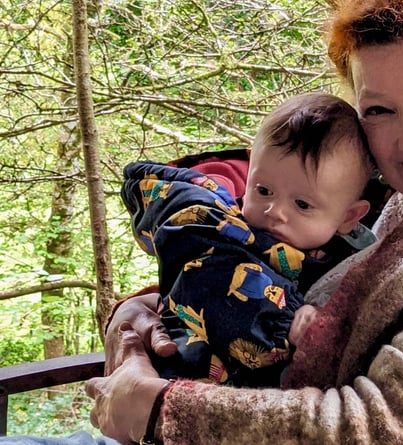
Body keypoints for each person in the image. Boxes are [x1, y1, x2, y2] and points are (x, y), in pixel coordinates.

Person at [1, 0, 403, 443]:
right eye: (380, 110)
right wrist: (141, 315)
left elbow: (394, 430)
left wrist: (157, 409)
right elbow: (275, 270)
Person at [120, 92, 376, 386]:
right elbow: (203, 278)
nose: (274, 211)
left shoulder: (359, 258)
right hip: (180, 383)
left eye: (302, 205)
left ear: (349, 217)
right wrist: (287, 320)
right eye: (263, 190)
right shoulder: (221, 228)